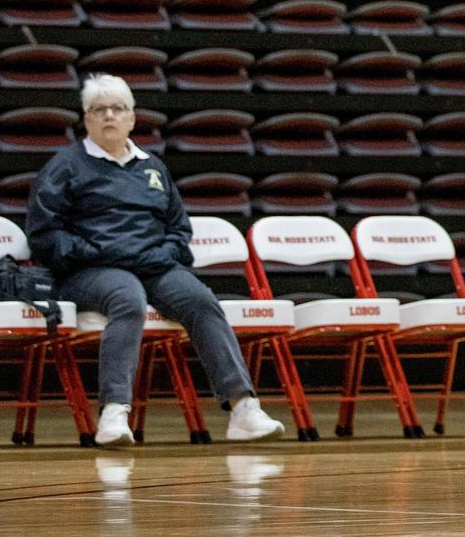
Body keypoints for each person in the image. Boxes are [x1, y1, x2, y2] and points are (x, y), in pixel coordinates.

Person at [26, 73, 282, 445]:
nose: (109, 116)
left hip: (152, 265)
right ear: (86, 118)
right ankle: (114, 413)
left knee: (200, 300)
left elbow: (179, 230)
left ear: (132, 118)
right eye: (99, 109)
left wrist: (160, 254)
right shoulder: (64, 166)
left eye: (118, 109)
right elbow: (45, 236)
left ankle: (243, 408)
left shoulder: (153, 167)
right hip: (91, 270)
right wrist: (97, 252)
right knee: (127, 298)